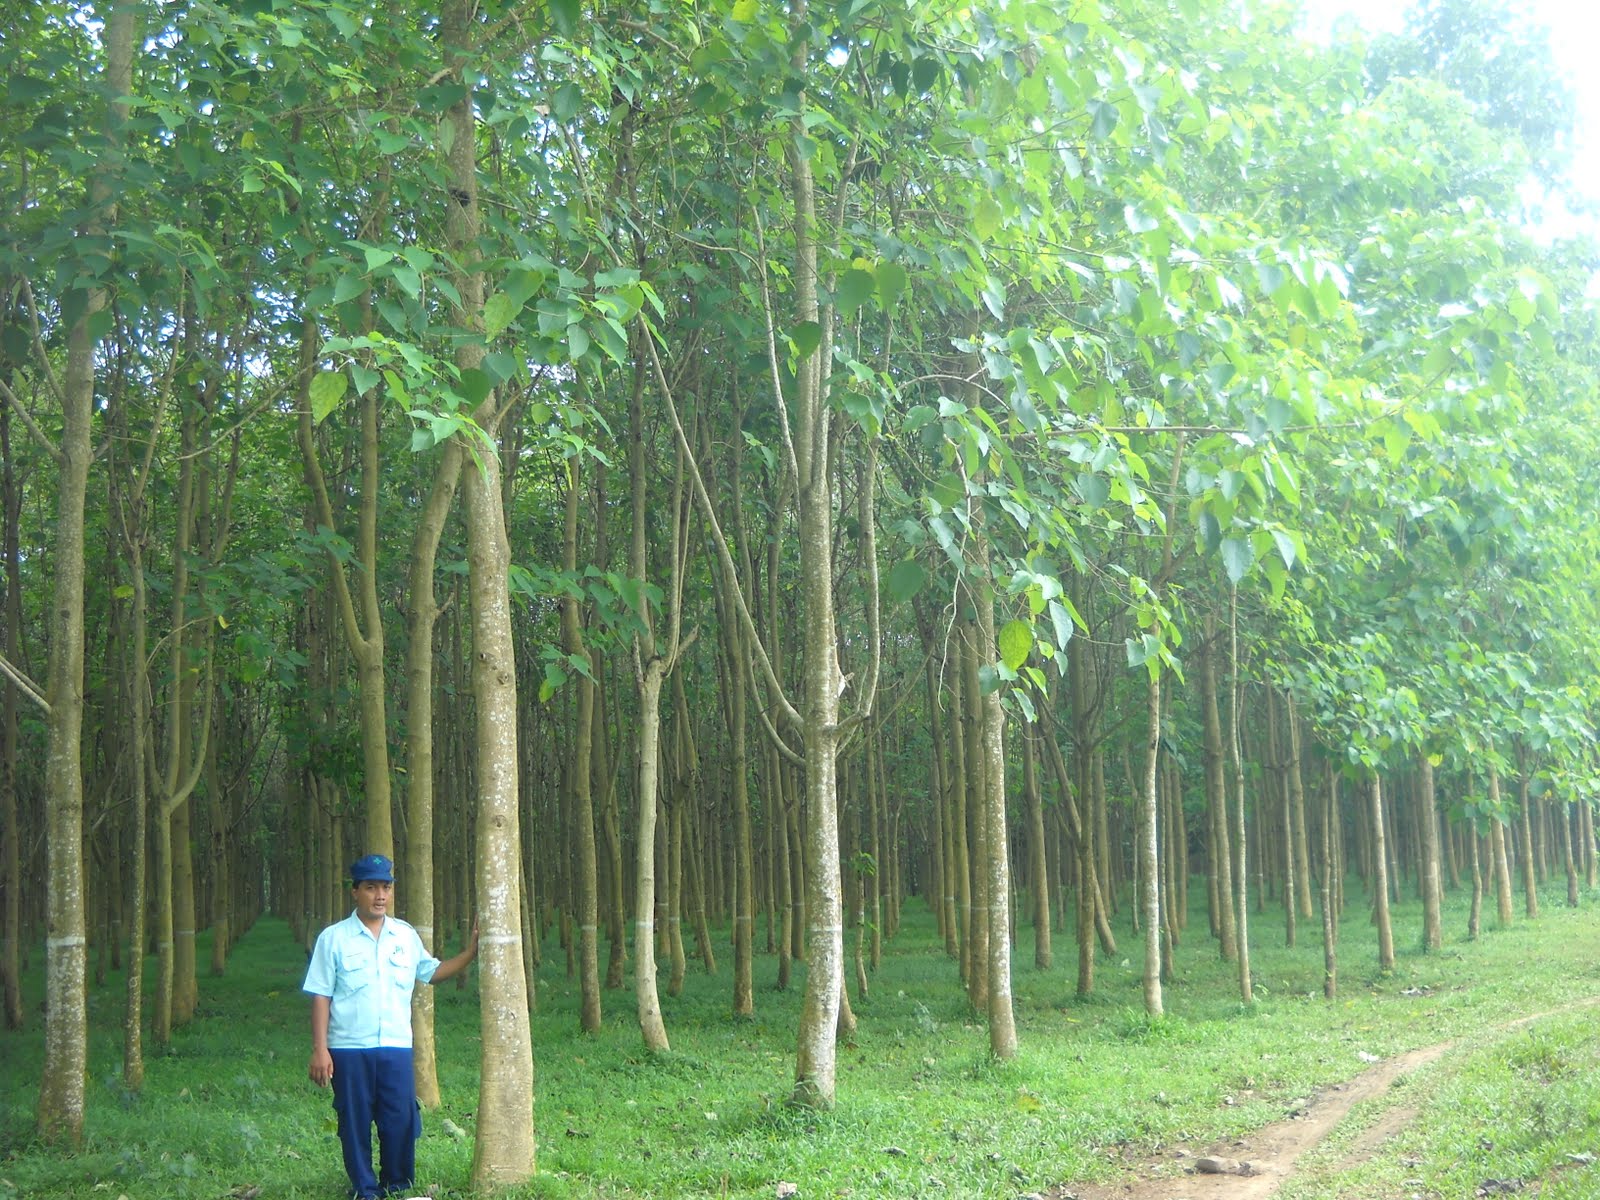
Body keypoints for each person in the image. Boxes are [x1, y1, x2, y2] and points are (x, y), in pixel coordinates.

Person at [303, 853, 478, 1200]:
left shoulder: (405, 935)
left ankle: (398, 1186)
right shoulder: (333, 939)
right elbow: (321, 995)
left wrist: (470, 953)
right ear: (355, 892)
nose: (380, 895)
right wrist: (320, 1048)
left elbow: (431, 971)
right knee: (353, 1122)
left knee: (399, 1118)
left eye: (385, 887)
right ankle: (365, 1190)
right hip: (349, 1048)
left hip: (396, 1047)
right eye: (371, 888)